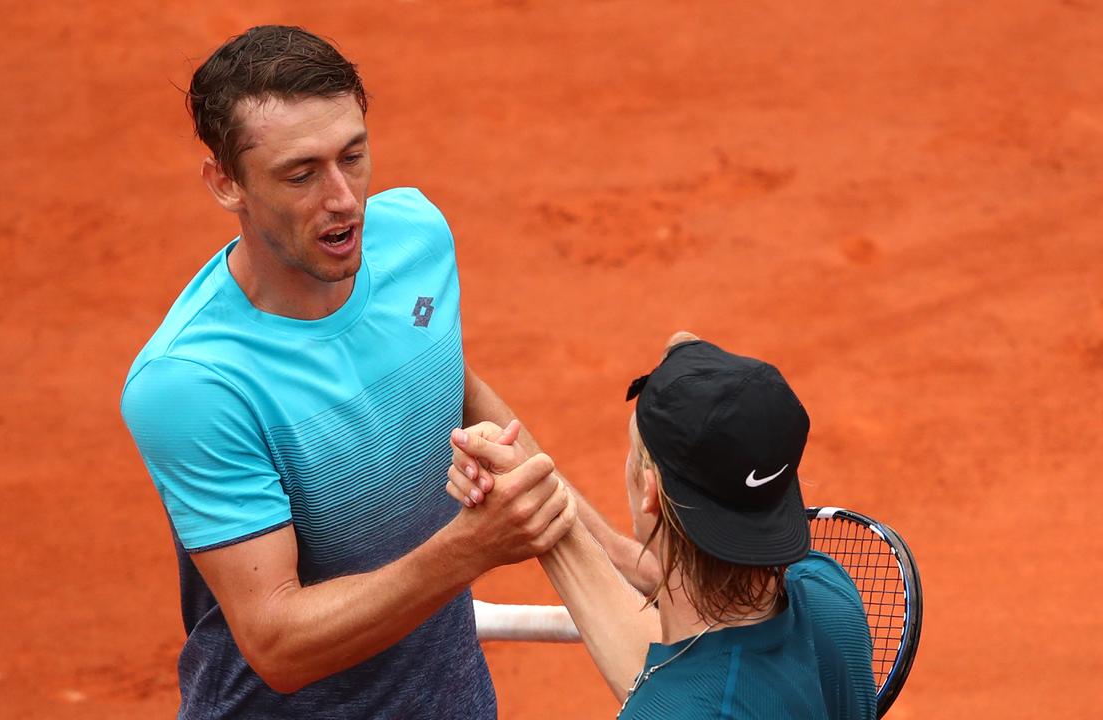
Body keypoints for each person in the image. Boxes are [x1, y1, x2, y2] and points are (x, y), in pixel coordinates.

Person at [119, 25, 584, 719]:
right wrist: (467, 550)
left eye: (354, 156)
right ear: (226, 183)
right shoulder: (193, 384)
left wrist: (608, 550)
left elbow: (443, 380)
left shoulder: (416, 238)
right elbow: (278, 645)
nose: (343, 198)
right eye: (301, 174)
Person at [449, 334, 877, 718]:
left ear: (650, 492)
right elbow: (683, 675)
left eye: (634, 450)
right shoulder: (830, 595)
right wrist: (542, 504)